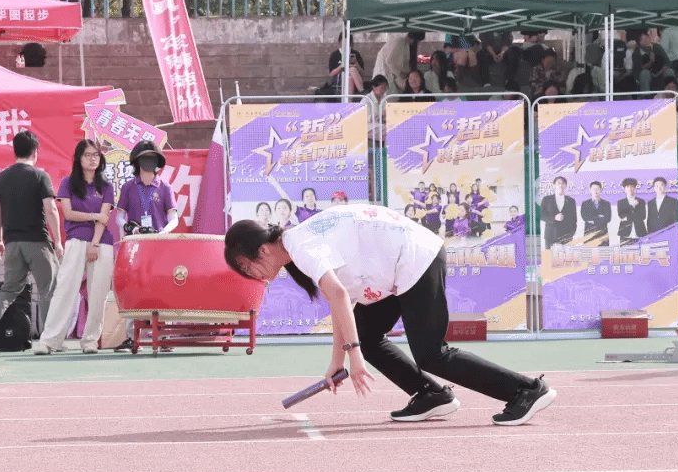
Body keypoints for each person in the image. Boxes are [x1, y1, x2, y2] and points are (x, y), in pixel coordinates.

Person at [223, 206, 556, 426]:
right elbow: (341, 303)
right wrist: (337, 361)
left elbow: (338, 296)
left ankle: (526, 390)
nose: (251, 275)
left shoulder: (300, 245)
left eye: (245, 266)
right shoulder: (299, 244)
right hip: (396, 268)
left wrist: (354, 358)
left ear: (262, 250)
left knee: (432, 353)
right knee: (367, 334)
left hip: (415, 259)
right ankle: (431, 395)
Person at [0, 130, 63, 353]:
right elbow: (51, 210)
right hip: (38, 242)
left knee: (8, 290)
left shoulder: (2, 178)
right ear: (35, 152)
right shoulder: (40, 177)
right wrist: (58, 241)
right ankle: (49, 339)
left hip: (12, 243)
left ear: (14, 151)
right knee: (48, 289)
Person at [34, 139, 115, 355]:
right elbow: (69, 214)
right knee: (65, 289)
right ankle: (50, 340)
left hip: (101, 243)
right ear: (79, 158)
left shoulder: (106, 186)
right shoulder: (67, 183)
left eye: (96, 155)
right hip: (75, 240)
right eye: (88, 155)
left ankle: (90, 341)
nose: (93, 159)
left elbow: (105, 218)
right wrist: (94, 215)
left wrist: (95, 243)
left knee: (98, 294)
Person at [112, 140, 178, 352]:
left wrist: (163, 233)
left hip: (160, 247)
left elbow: (174, 218)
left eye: (152, 158)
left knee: (163, 288)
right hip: (136, 246)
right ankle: (133, 337)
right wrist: (131, 229)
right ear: (136, 162)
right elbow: (119, 216)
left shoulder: (165, 187)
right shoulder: (128, 187)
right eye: (145, 158)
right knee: (134, 288)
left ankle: (164, 336)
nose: (149, 162)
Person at [539, 176, 577, 249]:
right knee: (549, 255)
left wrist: (571, 233)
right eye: (558, 183)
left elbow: (574, 219)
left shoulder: (571, 201)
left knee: (566, 256)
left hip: (566, 236)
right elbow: (541, 215)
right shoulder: (546, 199)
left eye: (563, 183)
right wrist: (554, 218)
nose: (560, 185)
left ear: (566, 186)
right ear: (554, 185)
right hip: (550, 235)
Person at [579, 181, 611, 246]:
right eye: (593, 189)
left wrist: (593, 220)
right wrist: (600, 217)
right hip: (589, 235)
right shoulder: (585, 204)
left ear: (601, 190)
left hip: (603, 235)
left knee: (603, 252)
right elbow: (585, 217)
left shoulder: (606, 204)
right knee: (589, 252)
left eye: (597, 189)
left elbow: (608, 219)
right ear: (590, 190)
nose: (595, 191)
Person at [616, 178, 647, 244]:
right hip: (625, 232)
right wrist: (632, 206)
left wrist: (628, 216)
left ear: (635, 188)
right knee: (625, 250)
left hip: (640, 232)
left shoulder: (641, 201)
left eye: (632, 186)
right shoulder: (620, 202)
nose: (630, 189)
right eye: (627, 187)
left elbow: (643, 216)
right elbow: (621, 216)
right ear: (624, 189)